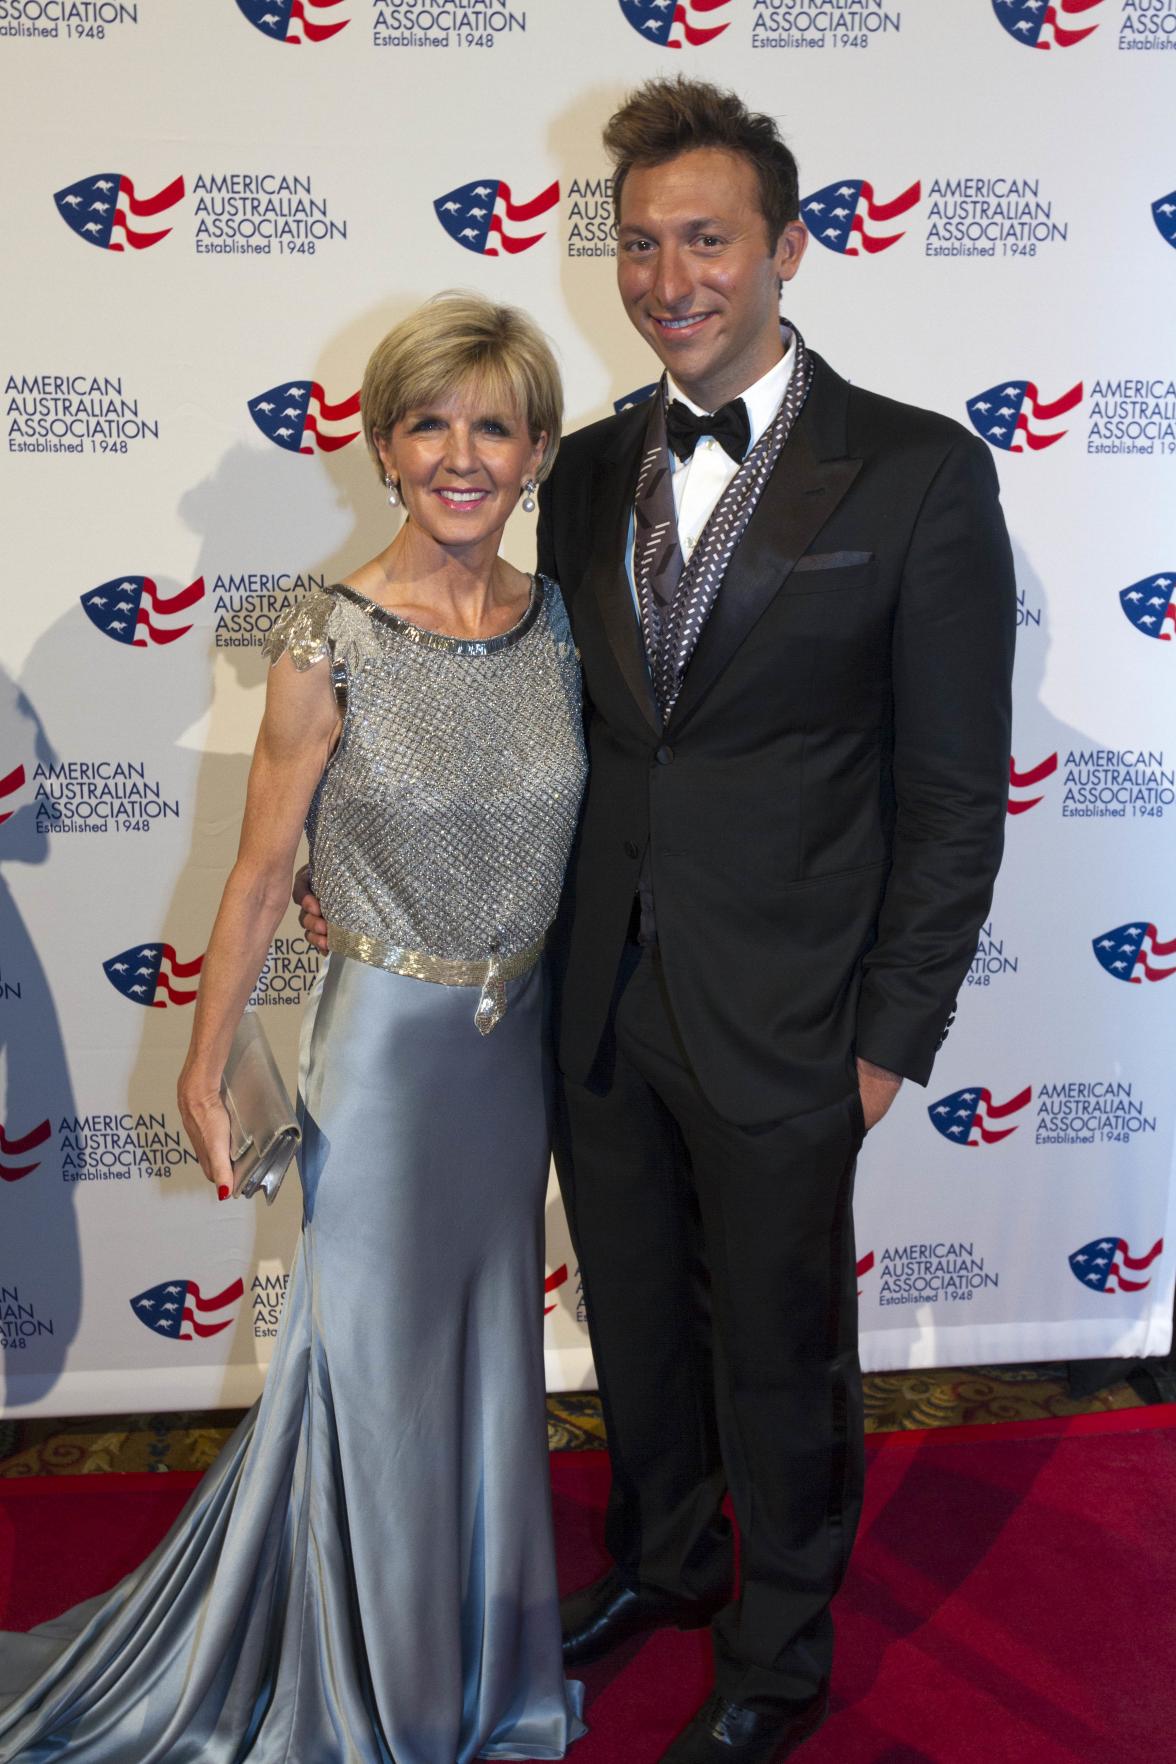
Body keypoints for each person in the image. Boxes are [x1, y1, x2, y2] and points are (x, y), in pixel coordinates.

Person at [297, 79, 1016, 1764]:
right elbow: (497, 673)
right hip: (595, 997)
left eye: (707, 238)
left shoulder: (915, 472)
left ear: (786, 247)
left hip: (793, 1016)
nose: (669, 274)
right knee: (633, 1312)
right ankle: (671, 1561)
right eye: (640, 243)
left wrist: (889, 1044)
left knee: (779, 1345)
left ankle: (779, 1648)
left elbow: (953, 793)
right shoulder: (593, 459)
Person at [0, 293, 588, 1764]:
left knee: (481, 1360)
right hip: (385, 1058)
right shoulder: (329, 641)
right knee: (372, 1367)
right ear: (383, 446)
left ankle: (468, 1664)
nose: (463, 456)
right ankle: (363, 1694)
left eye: (494, 426)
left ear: (536, 452)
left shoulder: (561, 619)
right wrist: (203, 1061)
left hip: (508, 1054)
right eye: (429, 424)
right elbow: (265, 869)